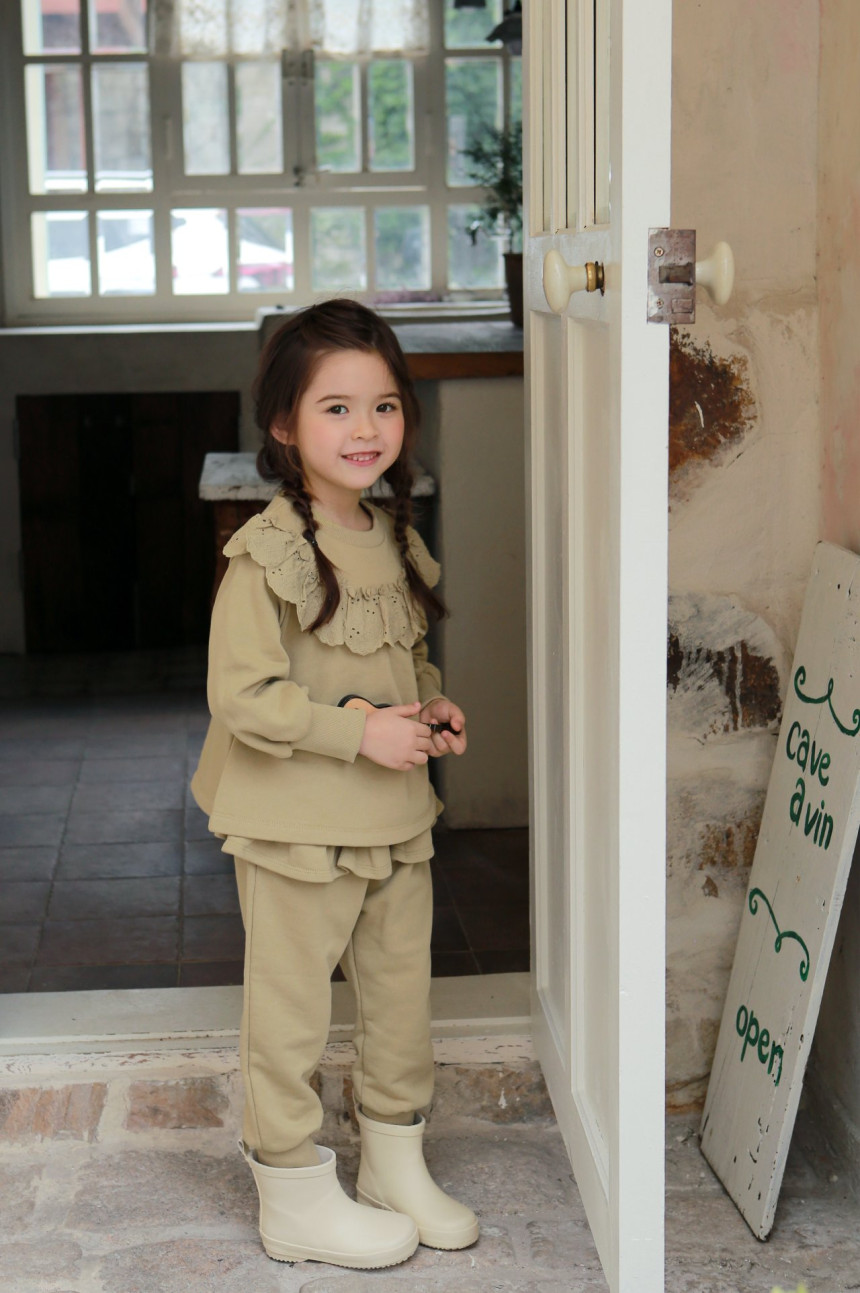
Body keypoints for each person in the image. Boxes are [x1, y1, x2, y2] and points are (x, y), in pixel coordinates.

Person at [191, 299, 478, 1270]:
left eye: (384, 406)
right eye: (337, 408)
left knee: (399, 997)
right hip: (295, 824)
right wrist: (359, 734)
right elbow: (242, 698)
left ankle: (393, 1162)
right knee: (290, 1012)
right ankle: (294, 1191)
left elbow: (401, 659)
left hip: (393, 815)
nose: (366, 429)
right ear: (283, 423)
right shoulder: (267, 553)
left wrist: (428, 709)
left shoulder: (393, 534)